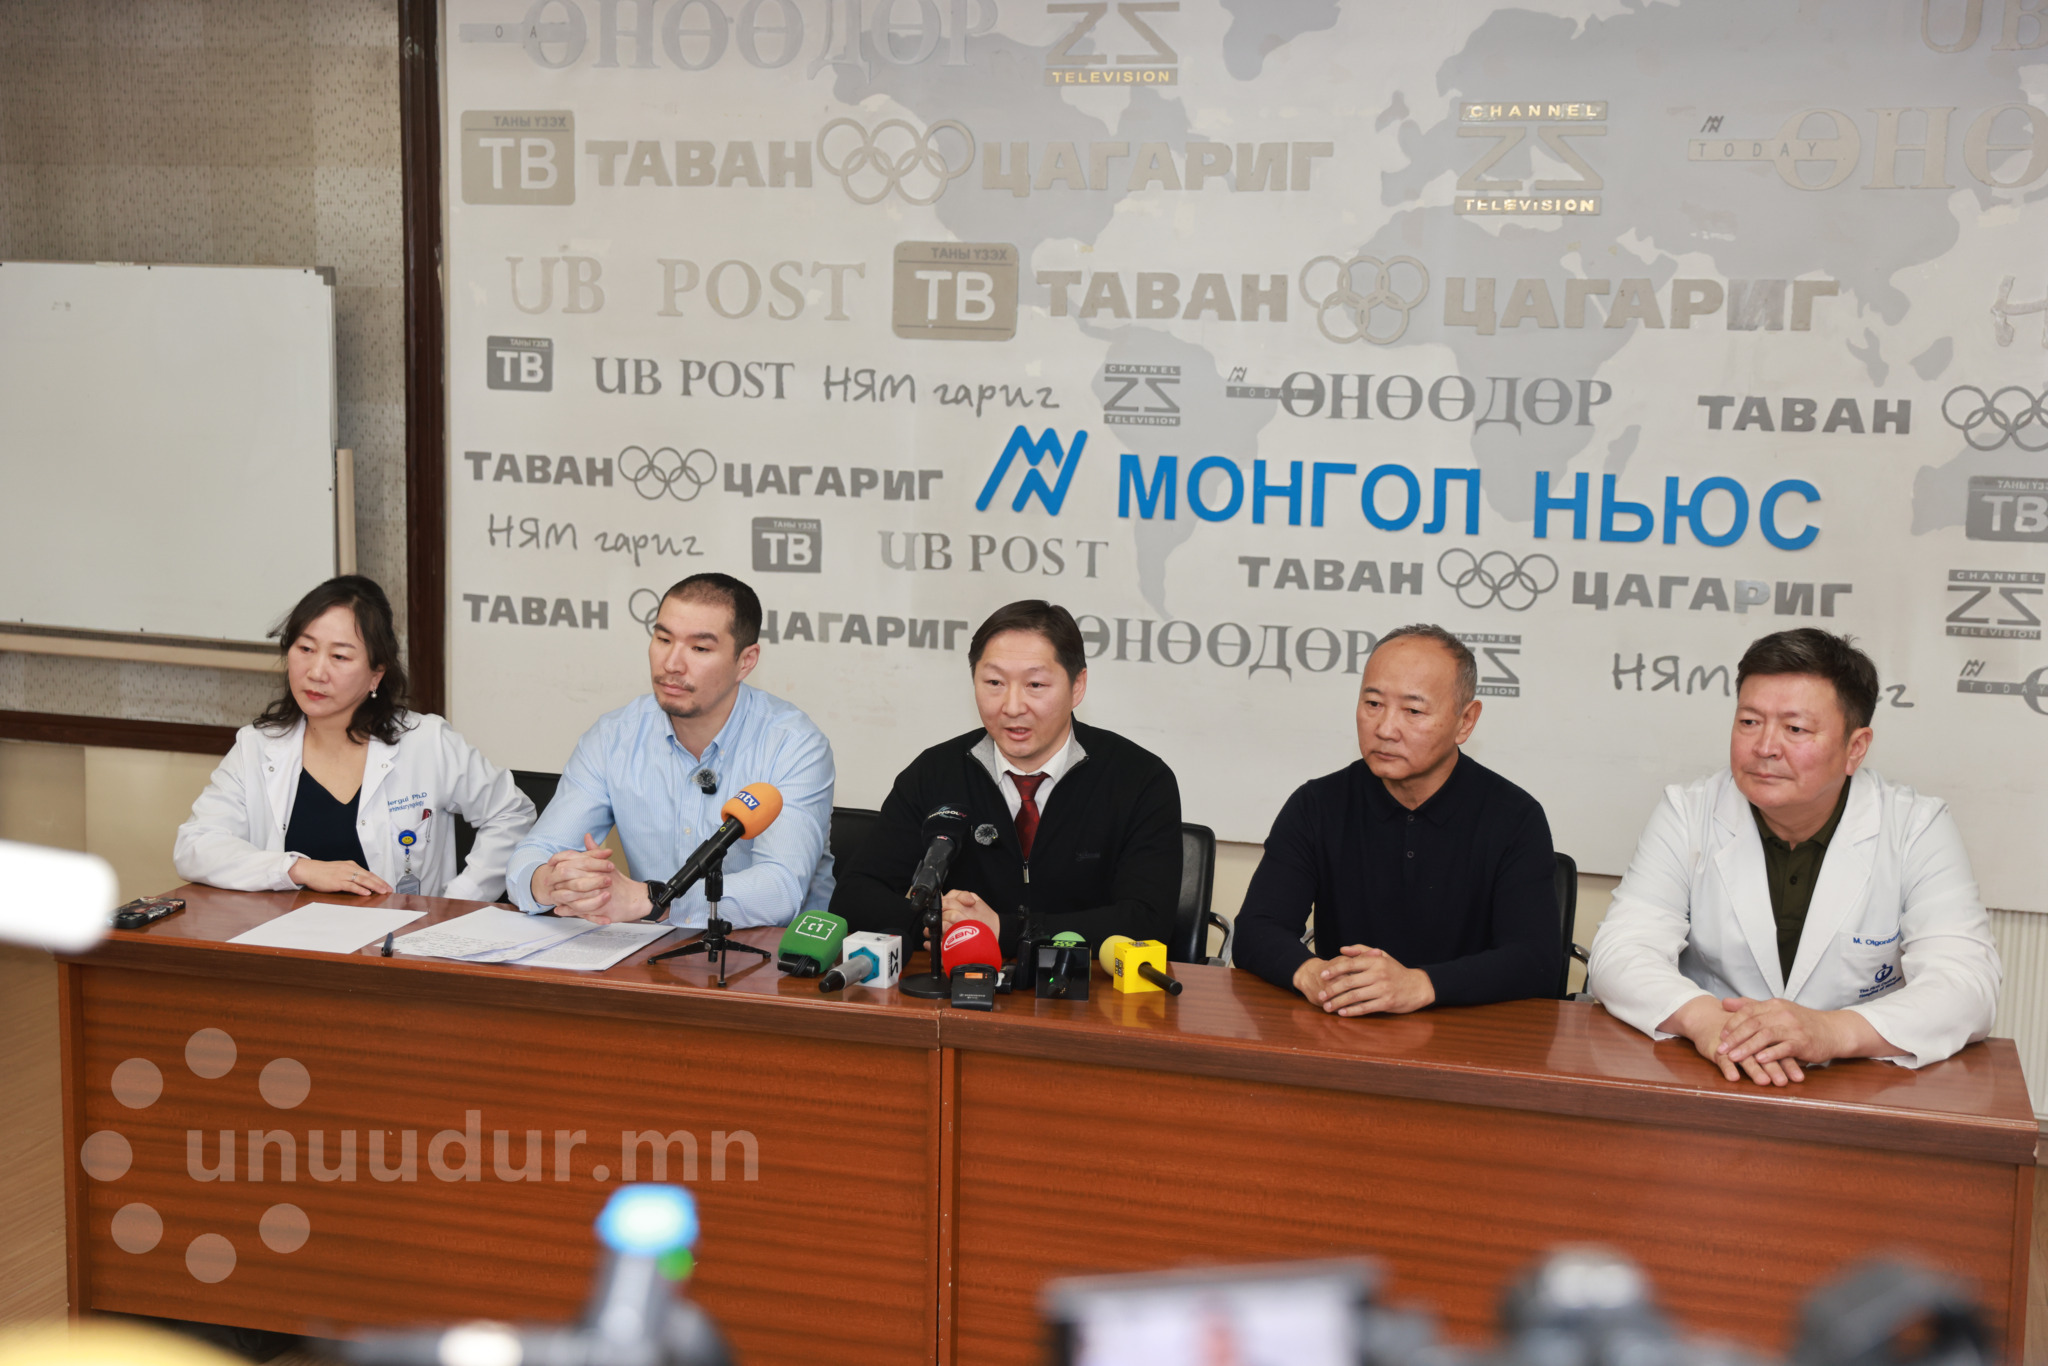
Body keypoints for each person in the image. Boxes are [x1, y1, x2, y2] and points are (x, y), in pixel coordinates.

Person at [1587, 629, 2000, 1082]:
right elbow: (1621, 952)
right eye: (1749, 722)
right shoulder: (1688, 811)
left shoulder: (1915, 827)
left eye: (1795, 729)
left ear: (1855, 748)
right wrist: (1707, 1021)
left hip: (1859, 1084)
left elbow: (1967, 985)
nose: (1764, 747)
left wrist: (1831, 1031)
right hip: (1713, 1073)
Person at [1233, 624, 1560, 1015]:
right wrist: (1311, 973)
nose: (1385, 729)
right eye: (1373, 704)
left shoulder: (1514, 817)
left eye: (1413, 711)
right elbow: (1256, 929)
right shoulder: (1317, 804)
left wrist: (1420, 985)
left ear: (1465, 721)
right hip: (1346, 1024)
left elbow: (1535, 961)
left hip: (1467, 1031)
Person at [831, 600, 1181, 957]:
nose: (1012, 707)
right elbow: (853, 897)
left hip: (1085, 985)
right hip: (959, 977)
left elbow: (1147, 921)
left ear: (1077, 686)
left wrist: (1004, 930)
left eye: (1035, 684)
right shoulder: (935, 772)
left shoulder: (1139, 780)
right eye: (994, 682)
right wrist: (940, 921)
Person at [175, 576, 535, 900]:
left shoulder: (427, 742)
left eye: (340, 656)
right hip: (285, 941)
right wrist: (297, 869)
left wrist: (456, 902)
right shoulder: (256, 746)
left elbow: (511, 815)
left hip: (399, 943)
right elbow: (195, 846)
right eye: (305, 649)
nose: (316, 672)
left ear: (376, 674)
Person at [508, 572, 834, 927]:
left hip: (766, 952)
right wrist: (552, 883)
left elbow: (781, 890)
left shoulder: (793, 744)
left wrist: (654, 900)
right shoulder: (614, 737)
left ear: (746, 661)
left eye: (700, 649)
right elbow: (534, 855)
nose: (672, 664)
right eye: (663, 639)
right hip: (651, 949)